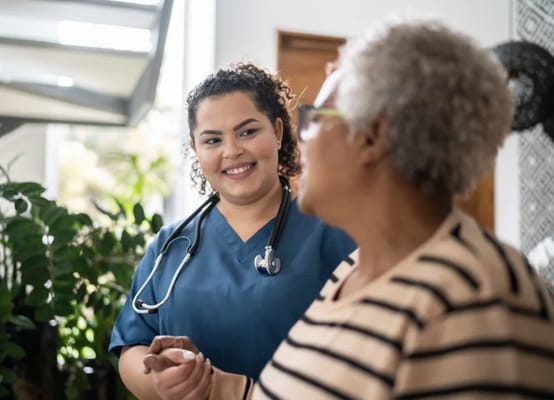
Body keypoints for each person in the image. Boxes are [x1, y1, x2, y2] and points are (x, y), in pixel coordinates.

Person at [160, 19, 554, 399]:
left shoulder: (475, 296)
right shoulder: (351, 273)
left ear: (372, 137)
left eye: (316, 119)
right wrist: (209, 383)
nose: (303, 137)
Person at [108, 63, 355, 399]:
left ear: (278, 132)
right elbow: (132, 347)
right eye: (212, 140)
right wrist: (164, 380)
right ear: (196, 150)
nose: (232, 151)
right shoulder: (170, 245)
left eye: (248, 132)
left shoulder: (333, 235)